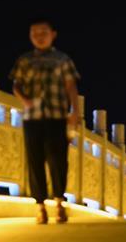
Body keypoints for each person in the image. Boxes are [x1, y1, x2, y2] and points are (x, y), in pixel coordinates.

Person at [8, 18, 81, 224]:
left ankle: (59, 203)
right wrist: (25, 101)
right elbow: (16, 85)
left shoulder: (62, 59)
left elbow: (70, 86)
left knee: (58, 161)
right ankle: (40, 206)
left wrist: (75, 111)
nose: (39, 37)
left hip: (57, 117)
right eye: (34, 33)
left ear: (53, 34)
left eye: (43, 32)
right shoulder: (25, 60)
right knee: (35, 161)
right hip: (32, 118)